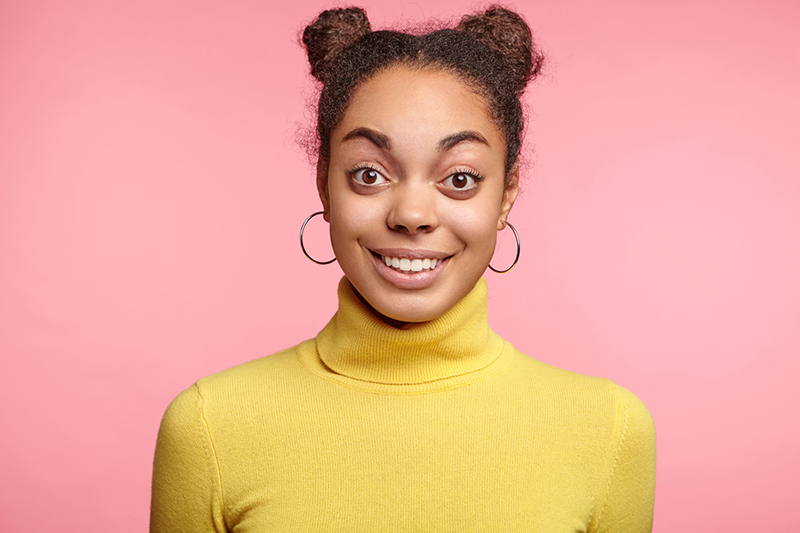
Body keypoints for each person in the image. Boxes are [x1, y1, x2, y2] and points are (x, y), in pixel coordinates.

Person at [149, 5, 656, 532]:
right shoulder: (210, 426)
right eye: (369, 174)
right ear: (325, 184)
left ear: (506, 195)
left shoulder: (610, 431)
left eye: (459, 179)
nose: (412, 215)